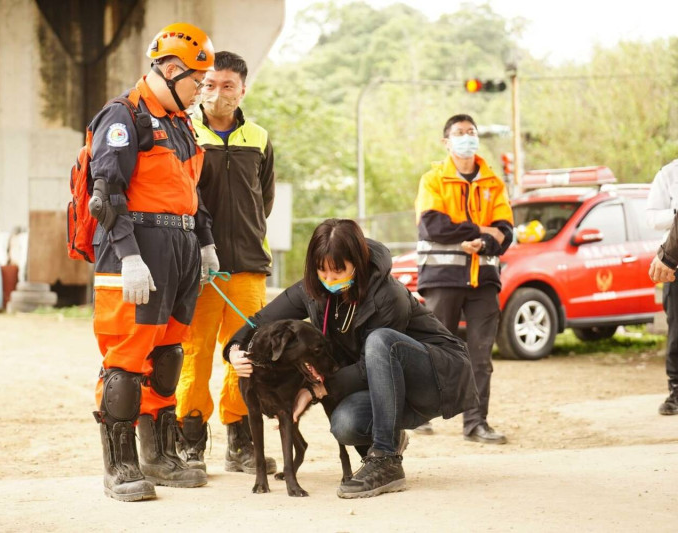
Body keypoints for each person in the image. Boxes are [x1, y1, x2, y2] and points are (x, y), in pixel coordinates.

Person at [223, 218, 479, 499]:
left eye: (338, 271)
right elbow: (262, 320)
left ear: (356, 261)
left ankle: (385, 459)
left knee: (380, 340)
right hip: (388, 386)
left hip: (433, 376)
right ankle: (390, 435)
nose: (329, 280)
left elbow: (373, 362)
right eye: (322, 271)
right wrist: (235, 349)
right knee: (344, 424)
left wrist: (313, 389)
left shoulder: (387, 296)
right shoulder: (313, 288)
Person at [87, 22, 219, 501]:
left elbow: (190, 192)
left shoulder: (183, 124)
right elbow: (105, 196)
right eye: (196, 81)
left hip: (180, 250)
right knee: (126, 360)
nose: (200, 91)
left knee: (168, 356)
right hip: (136, 248)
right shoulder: (124, 116)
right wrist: (128, 257)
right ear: (168, 68)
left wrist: (204, 243)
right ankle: (120, 467)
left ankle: (159, 457)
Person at [174, 51, 277, 474]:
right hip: (198, 267)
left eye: (228, 85)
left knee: (246, 353)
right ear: (201, 87)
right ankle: (190, 441)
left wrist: (246, 235)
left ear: (243, 89)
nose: (219, 93)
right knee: (195, 353)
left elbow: (263, 199)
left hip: (249, 264)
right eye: (211, 84)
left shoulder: (259, 137)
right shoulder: (184, 132)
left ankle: (240, 440)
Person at [413, 114, 514, 444]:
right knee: (436, 350)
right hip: (443, 278)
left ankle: (476, 424)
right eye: (460, 133)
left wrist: (485, 240)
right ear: (446, 142)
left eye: (472, 132)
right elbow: (433, 227)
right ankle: (419, 414)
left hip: (483, 280)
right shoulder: (433, 180)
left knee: (481, 356)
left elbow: (506, 232)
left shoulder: (493, 183)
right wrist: (482, 230)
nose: (467, 137)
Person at [646, 158, 678, 416]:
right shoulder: (668, 174)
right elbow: (653, 218)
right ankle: (676, 390)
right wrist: (676, 215)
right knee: (677, 330)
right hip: (675, 266)